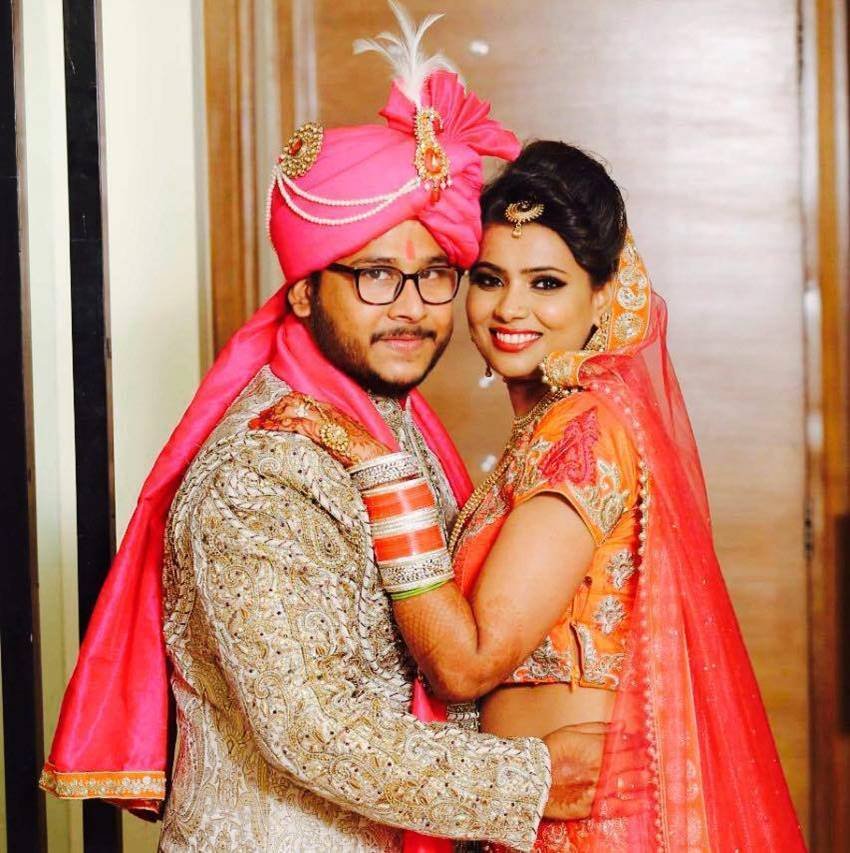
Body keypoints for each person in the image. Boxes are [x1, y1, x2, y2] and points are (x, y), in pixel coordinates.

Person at [38, 9, 626, 851]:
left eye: (436, 274)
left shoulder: (388, 422)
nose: (412, 308)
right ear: (307, 288)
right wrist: (534, 775)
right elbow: (317, 728)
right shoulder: (263, 467)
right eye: (376, 274)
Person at [281, 141, 807, 850]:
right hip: (533, 818)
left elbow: (466, 662)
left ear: (604, 294)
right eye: (490, 278)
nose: (511, 308)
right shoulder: (549, 428)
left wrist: (381, 474)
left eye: (547, 283)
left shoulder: (583, 431)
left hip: (589, 827)